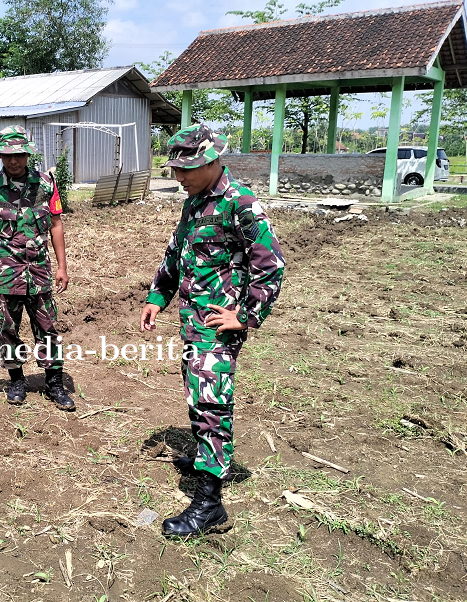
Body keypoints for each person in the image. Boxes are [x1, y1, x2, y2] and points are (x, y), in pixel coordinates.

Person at [140, 123, 285, 537]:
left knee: (212, 404)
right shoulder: (195, 203)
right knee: (196, 394)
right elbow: (177, 253)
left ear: (213, 160)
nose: (179, 177)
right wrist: (157, 296)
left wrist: (246, 314)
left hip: (217, 327)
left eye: (187, 169)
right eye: (175, 170)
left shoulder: (240, 203)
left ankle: (209, 505)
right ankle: (205, 456)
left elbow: (270, 264)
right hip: (193, 321)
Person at [0, 126, 75, 411]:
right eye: (7, 155)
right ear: (1, 156)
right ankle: (16, 380)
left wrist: (62, 266)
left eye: (19, 154)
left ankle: (54, 383)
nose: (13, 161)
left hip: (39, 272)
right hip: (4, 274)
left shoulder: (45, 183)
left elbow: (56, 224)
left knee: (47, 328)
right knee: (8, 329)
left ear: (27, 153)